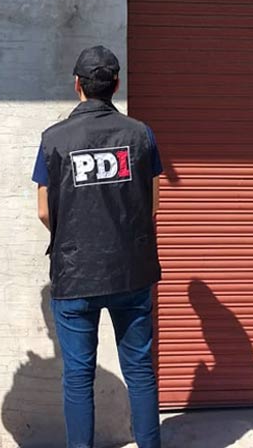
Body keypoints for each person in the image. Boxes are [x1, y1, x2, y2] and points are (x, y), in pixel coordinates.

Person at [32, 45, 163, 448]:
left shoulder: (53, 139)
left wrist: (74, 235)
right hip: (131, 271)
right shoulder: (140, 134)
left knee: (78, 376)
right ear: (116, 85)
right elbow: (153, 203)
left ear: (78, 85)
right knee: (139, 370)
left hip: (76, 273)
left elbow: (43, 210)